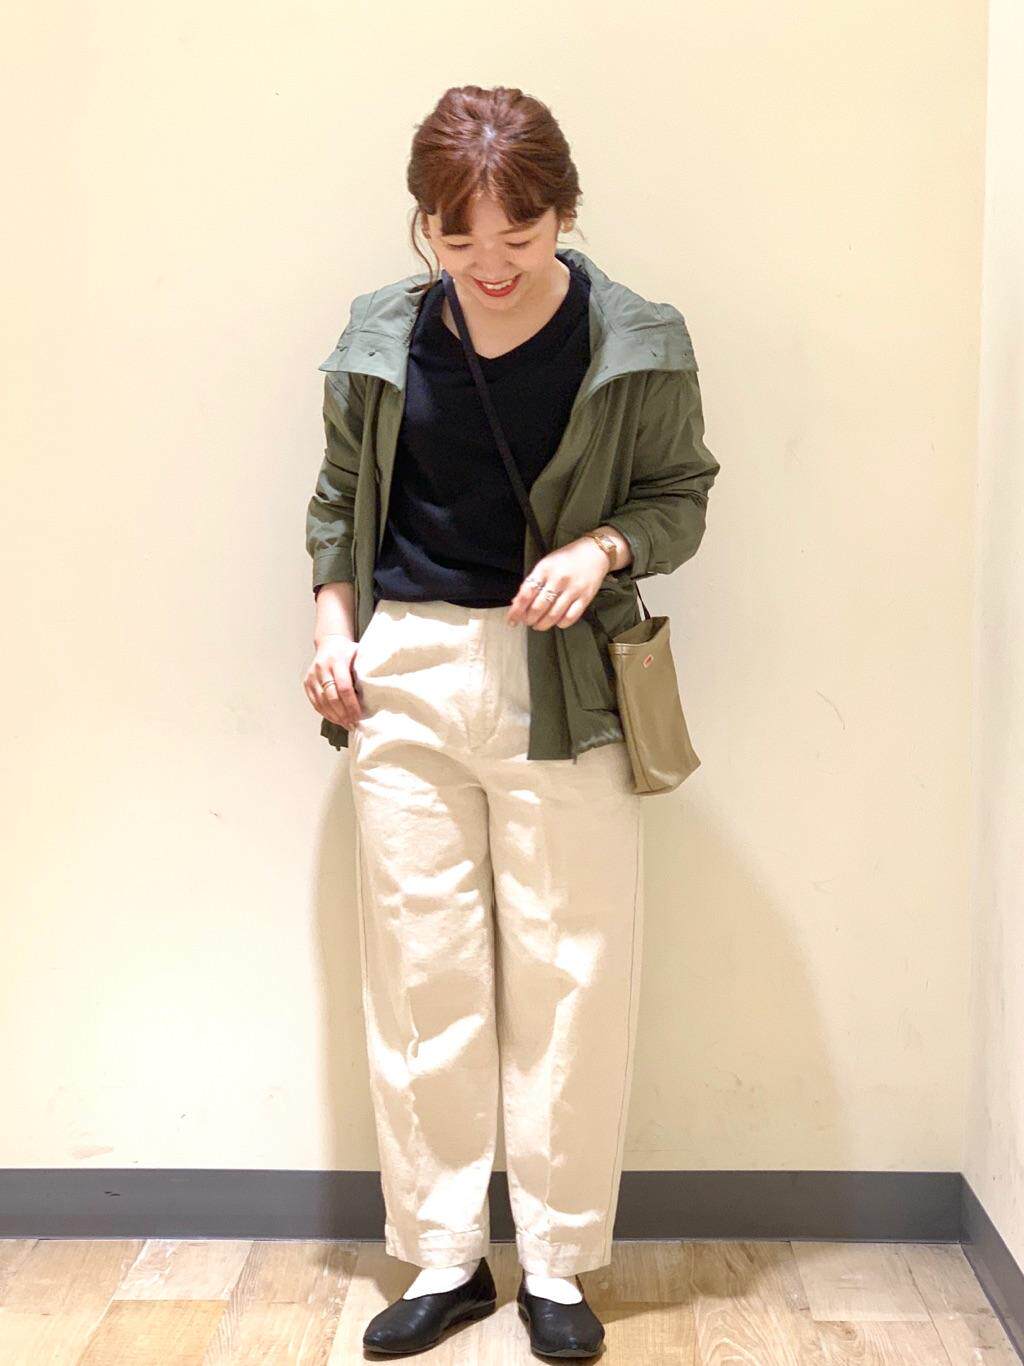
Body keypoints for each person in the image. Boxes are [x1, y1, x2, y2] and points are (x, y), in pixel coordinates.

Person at [303, 84, 719, 1358]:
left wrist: (600, 548)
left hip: (563, 683)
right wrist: (332, 631)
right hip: (407, 670)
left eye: (518, 236)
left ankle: (554, 1263)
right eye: (457, 236)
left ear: (564, 215)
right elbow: (339, 501)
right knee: (421, 975)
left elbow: (679, 495)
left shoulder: (636, 340)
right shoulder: (381, 336)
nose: (488, 263)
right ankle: (441, 1255)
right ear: (423, 225)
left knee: (569, 976)